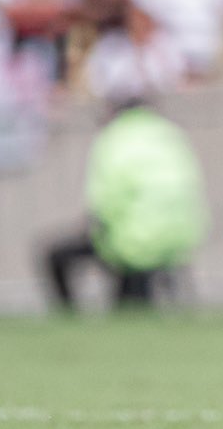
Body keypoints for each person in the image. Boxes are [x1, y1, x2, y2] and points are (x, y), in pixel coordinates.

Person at [44, 99, 210, 310]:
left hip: (132, 242)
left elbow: (106, 203)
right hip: (180, 240)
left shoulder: (113, 138)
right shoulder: (170, 133)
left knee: (58, 254)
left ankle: (70, 316)